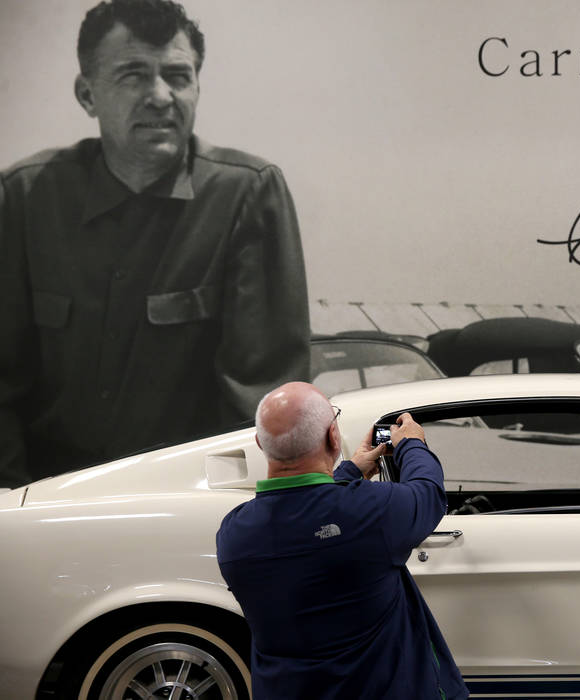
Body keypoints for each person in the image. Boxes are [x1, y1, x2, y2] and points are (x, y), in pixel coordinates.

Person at [0, 0, 310, 487]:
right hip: (39, 500)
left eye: (178, 76)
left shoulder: (247, 196)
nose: (161, 96)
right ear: (87, 94)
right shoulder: (23, 197)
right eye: (133, 75)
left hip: (184, 504)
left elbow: (262, 405)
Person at [215, 382, 469, 700]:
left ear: (260, 443)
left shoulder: (233, 533)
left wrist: (349, 471)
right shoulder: (370, 512)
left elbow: (308, 520)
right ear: (333, 437)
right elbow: (428, 493)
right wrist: (412, 445)